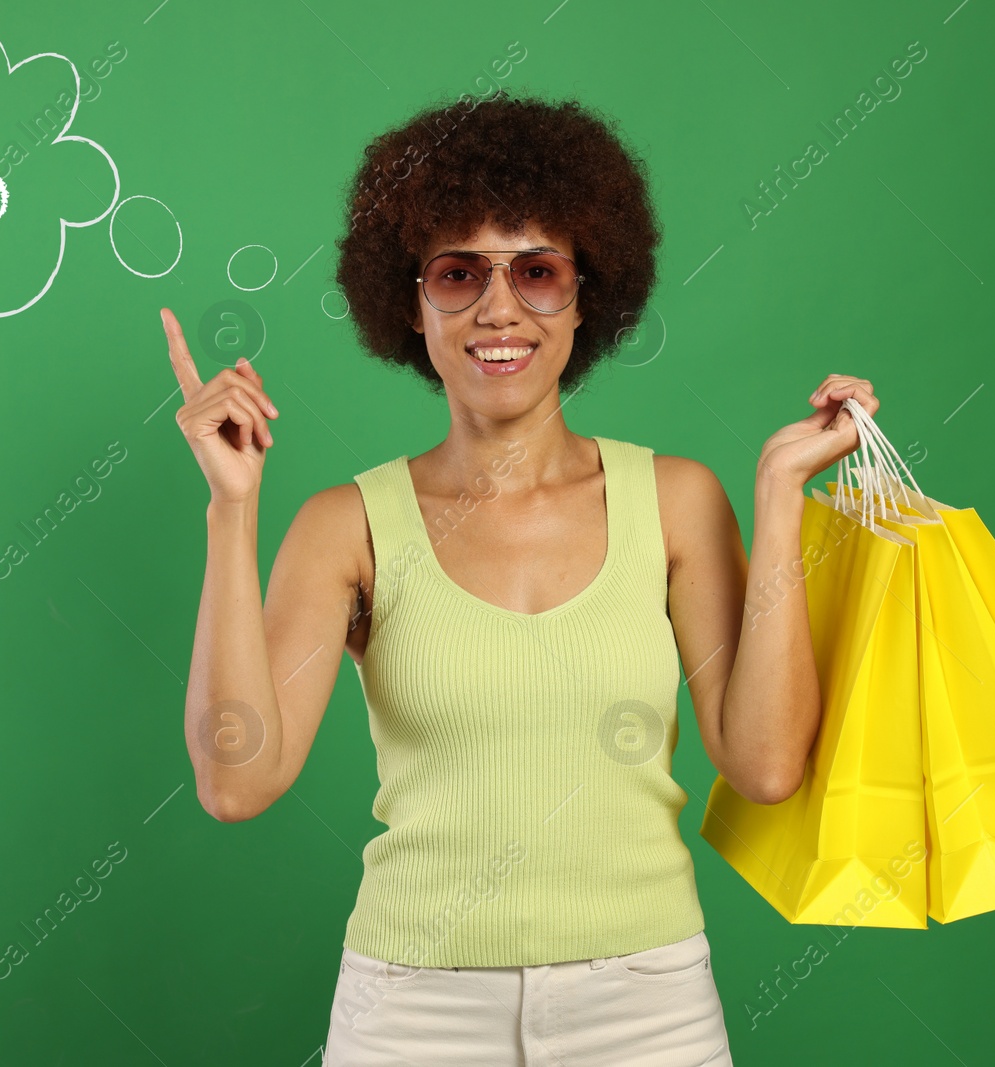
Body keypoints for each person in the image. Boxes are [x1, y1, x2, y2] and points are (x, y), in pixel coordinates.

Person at [164, 89, 880, 1065]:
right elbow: (235, 783)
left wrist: (779, 494)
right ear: (411, 304)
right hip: (408, 1010)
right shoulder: (346, 525)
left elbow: (761, 766)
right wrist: (230, 508)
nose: (498, 308)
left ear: (587, 293)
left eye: (536, 271)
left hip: (648, 1009)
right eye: (458, 273)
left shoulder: (675, 500)